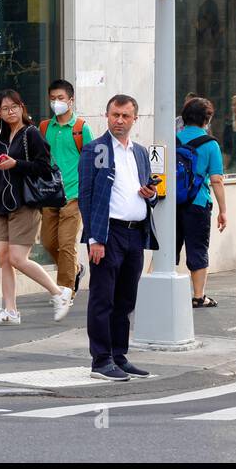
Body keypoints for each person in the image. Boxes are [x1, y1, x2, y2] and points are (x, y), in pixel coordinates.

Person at [77, 94, 159, 382]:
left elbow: (146, 190)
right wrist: (94, 238)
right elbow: (85, 197)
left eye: (125, 116)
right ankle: (101, 360)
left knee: (125, 300)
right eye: (115, 115)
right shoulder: (95, 149)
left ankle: (119, 356)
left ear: (135, 118)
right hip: (107, 235)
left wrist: (150, 195)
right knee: (103, 298)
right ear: (107, 115)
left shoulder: (139, 152)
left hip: (135, 235)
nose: (120, 121)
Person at [0, 90, 72, 325]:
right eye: (4, 109)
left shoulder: (31, 134)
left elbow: (43, 167)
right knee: (3, 259)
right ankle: (10, 310)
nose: (10, 112)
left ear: (22, 107)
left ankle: (59, 293)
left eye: (13, 107)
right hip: (1, 203)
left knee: (18, 258)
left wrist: (15, 164)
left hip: (25, 204)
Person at [38, 79, 92, 300]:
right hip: (50, 194)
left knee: (67, 244)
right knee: (49, 242)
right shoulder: (44, 127)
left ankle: (64, 292)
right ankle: (76, 270)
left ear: (71, 100)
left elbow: (90, 161)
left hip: (73, 195)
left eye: (60, 98)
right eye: (52, 99)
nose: (56, 102)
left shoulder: (81, 128)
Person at [177, 96, 227, 308]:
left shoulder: (174, 138)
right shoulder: (210, 144)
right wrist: (223, 210)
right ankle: (198, 296)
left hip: (172, 204)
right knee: (197, 248)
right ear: (207, 120)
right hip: (197, 203)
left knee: (168, 248)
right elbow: (216, 180)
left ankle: (154, 289)